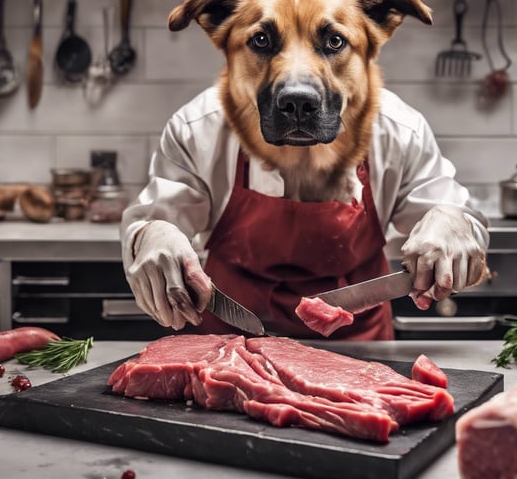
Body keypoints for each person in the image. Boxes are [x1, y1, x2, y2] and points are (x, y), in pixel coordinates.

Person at [120, 85, 489, 340]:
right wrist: (152, 234)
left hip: (361, 346)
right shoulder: (199, 126)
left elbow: (458, 217)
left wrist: (452, 221)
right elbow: (156, 219)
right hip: (227, 339)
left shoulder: (397, 129)